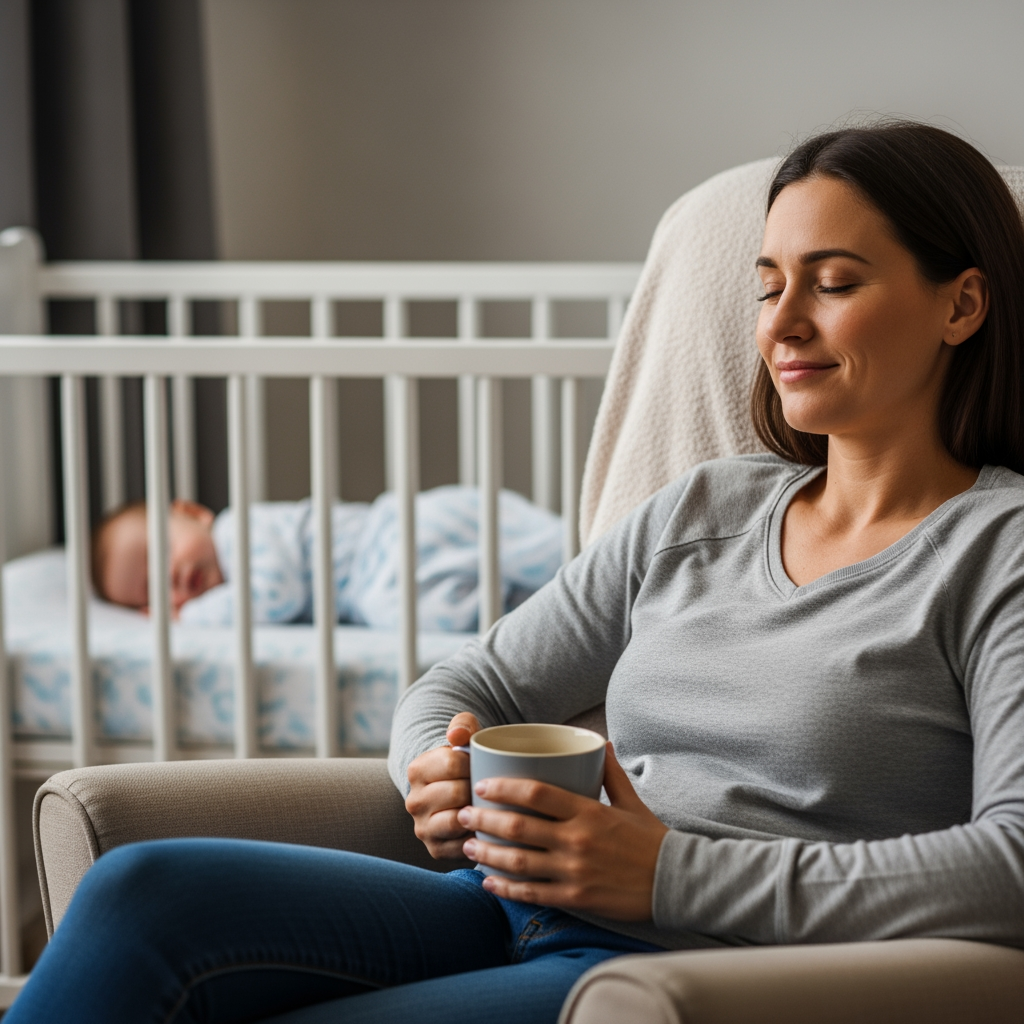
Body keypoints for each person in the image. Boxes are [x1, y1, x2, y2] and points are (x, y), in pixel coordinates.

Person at [10, 121, 1024, 1024]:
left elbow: (1012, 862)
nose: (780, 324)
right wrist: (432, 769)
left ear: (961, 305)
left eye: (833, 282)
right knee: (142, 892)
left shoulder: (998, 546)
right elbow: (470, 683)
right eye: (766, 284)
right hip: (517, 904)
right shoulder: (704, 507)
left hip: (708, 962)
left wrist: (672, 874)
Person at [90, 486, 563, 632]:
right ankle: (540, 607)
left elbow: (276, 594)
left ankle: (583, 560)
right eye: (155, 590)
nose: (173, 578)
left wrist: (187, 616)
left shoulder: (241, 530)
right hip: (385, 569)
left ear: (191, 513)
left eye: (162, 554)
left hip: (391, 539)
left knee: (544, 550)